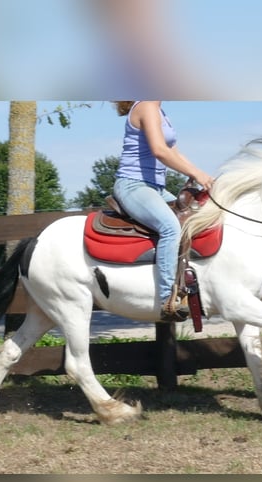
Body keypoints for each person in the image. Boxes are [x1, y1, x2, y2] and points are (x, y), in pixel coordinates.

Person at [112, 100, 215, 322]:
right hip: (133, 185)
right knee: (170, 227)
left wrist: (203, 175)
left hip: (155, 188)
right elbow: (159, 151)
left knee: (195, 219)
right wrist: (197, 174)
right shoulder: (146, 106)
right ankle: (169, 299)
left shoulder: (159, 111)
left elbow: (173, 152)